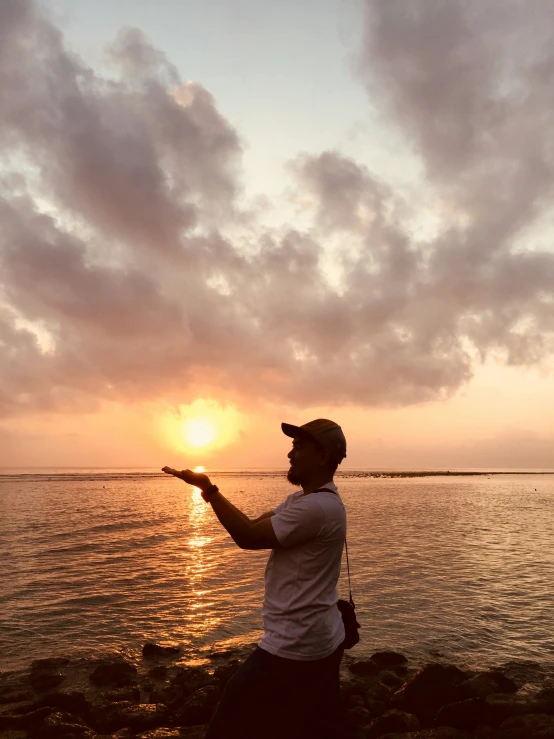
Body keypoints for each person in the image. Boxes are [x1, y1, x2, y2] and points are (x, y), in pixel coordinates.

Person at [162, 418, 363, 739]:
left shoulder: (317, 509)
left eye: (298, 447)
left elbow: (248, 536)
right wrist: (209, 490)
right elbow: (254, 523)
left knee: (228, 724)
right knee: (325, 719)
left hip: (294, 644)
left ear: (323, 456)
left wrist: (209, 490)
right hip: (323, 635)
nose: (290, 454)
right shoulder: (303, 502)